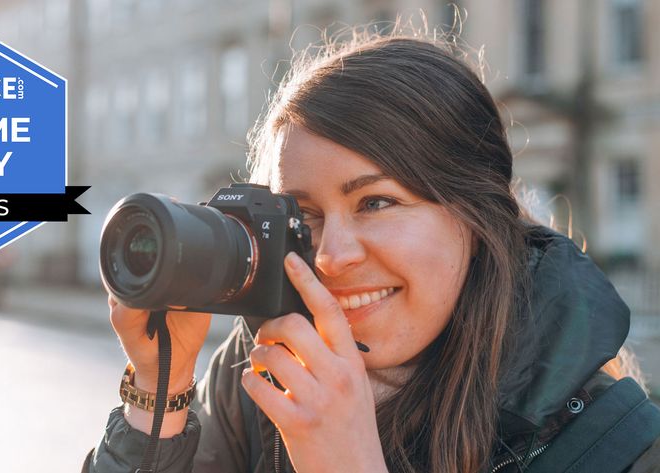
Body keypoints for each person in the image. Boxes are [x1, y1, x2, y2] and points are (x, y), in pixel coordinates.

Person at [83, 27, 660, 473]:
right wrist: (157, 393)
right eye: (304, 215)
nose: (330, 257)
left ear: (477, 216)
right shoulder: (263, 374)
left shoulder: (618, 446)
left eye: (376, 202)